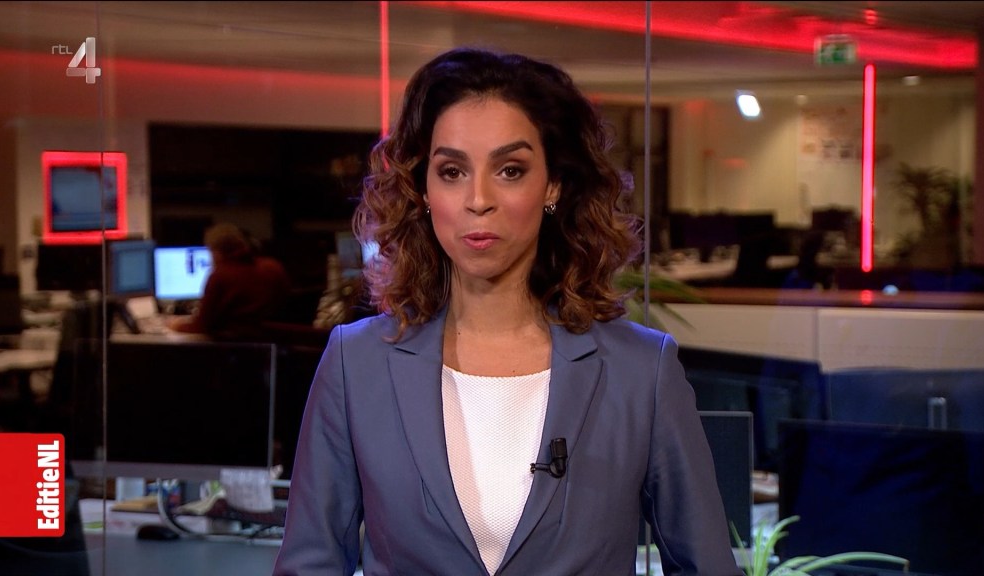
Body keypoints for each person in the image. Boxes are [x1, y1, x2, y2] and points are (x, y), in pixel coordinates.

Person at [273, 47, 740, 576]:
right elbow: (309, 565)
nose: (478, 199)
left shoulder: (640, 371)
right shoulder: (355, 364)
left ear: (553, 185)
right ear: (423, 189)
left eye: (510, 170)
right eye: (452, 171)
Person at [168, 223, 291, 340]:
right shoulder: (273, 267)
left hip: (236, 345)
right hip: (274, 343)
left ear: (216, 252)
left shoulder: (220, 275)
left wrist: (175, 325)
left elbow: (201, 326)